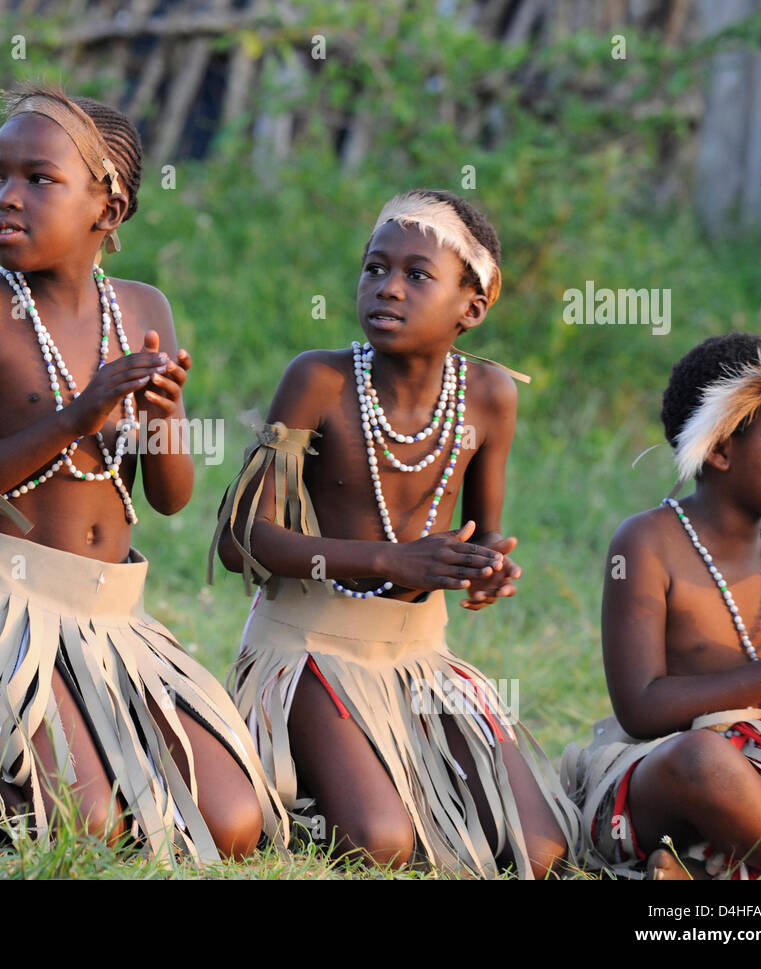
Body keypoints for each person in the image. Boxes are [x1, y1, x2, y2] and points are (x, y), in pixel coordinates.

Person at [0, 84, 285, 863]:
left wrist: (163, 416)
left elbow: (170, 496)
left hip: (111, 621)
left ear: (109, 206)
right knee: (90, 824)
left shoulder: (143, 308)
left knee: (231, 821)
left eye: (38, 179)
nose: (6, 199)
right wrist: (73, 419)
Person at [213, 189, 579, 877]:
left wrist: (487, 568)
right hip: (308, 650)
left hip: (420, 658)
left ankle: (376, 772)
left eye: (417, 274)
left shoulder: (491, 395)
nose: (388, 287)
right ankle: (313, 782)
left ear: (470, 308)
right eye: (374, 268)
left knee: (539, 847)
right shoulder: (319, 380)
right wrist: (391, 559)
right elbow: (241, 537)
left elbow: (483, 536)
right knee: (383, 842)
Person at [563, 332, 761, 879]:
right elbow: (640, 707)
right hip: (665, 772)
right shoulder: (645, 543)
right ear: (722, 450)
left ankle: (701, 872)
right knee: (704, 760)